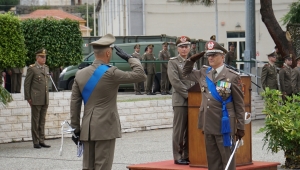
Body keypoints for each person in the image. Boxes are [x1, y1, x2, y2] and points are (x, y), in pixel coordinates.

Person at [70, 34, 146, 170]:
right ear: (108, 52)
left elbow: (74, 104)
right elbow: (140, 75)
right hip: (105, 127)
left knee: (88, 167)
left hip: (87, 129)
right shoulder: (111, 72)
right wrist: (130, 58)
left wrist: (75, 129)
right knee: (102, 166)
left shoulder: (80, 74)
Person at [182, 40, 245, 170]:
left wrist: (240, 126)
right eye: (208, 55)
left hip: (225, 124)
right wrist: (191, 60)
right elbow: (185, 74)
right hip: (208, 122)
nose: (210, 58)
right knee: (212, 160)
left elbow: (239, 104)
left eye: (214, 55)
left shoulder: (232, 76)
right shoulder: (204, 73)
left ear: (222, 56)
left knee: (227, 160)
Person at [168, 36, 197, 165]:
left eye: (186, 46)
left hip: (193, 101)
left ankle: (187, 154)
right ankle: (178, 155)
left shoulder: (192, 62)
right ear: (177, 48)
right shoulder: (173, 62)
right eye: (181, 47)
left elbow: (195, 79)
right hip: (181, 100)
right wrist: (188, 95)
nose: (184, 49)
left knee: (190, 129)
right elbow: (175, 81)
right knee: (179, 130)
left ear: (190, 47)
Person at [24, 48, 51, 149]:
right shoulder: (32, 68)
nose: (44, 59)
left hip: (44, 98)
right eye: (42, 57)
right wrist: (28, 97)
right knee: (35, 120)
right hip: (35, 98)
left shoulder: (46, 68)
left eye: (45, 57)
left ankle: (41, 140)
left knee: (42, 120)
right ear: (37, 58)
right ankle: (36, 141)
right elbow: (27, 84)